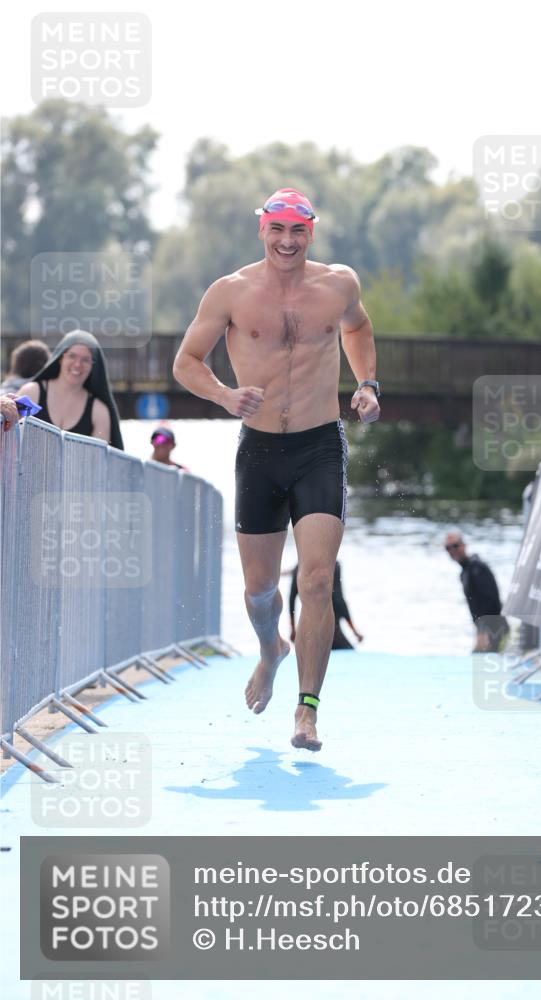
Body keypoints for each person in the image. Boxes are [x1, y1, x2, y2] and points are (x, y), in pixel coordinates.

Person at [173, 187, 380, 751]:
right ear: (262, 230)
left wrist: (366, 384)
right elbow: (186, 361)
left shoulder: (339, 283)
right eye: (277, 231)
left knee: (315, 580)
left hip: (319, 445)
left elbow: (357, 329)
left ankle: (306, 711)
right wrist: (222, 394)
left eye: (298, 232)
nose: (287, 242)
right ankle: (271, 650)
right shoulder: (231, 292)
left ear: (311, 232)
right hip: (260, 450)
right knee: (260, 590)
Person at [21, 330, 124, 449]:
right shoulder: (32, 393)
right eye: (72, 356)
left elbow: (98, 461)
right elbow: (10, 433)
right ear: (60, 358)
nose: (77, 364)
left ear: (93, 366)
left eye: (85, 360)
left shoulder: (99, 411)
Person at [444, 531, 509, 652]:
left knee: (480, 661)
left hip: (494, 630)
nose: (452, 550)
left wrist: (484, 631)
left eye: (455, 546)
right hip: (486, 629)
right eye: (448, 548)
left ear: (464, 545)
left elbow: (491, 601)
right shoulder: (465, 571)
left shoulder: (476, 568)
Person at [288, 560, 364, 650]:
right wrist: (354, 631)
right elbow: (338, 600)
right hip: (330, 629)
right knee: (349, 652)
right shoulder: (333, 565)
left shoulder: (299, 567)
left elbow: (291, 599)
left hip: (308, 632)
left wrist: (293, 630)